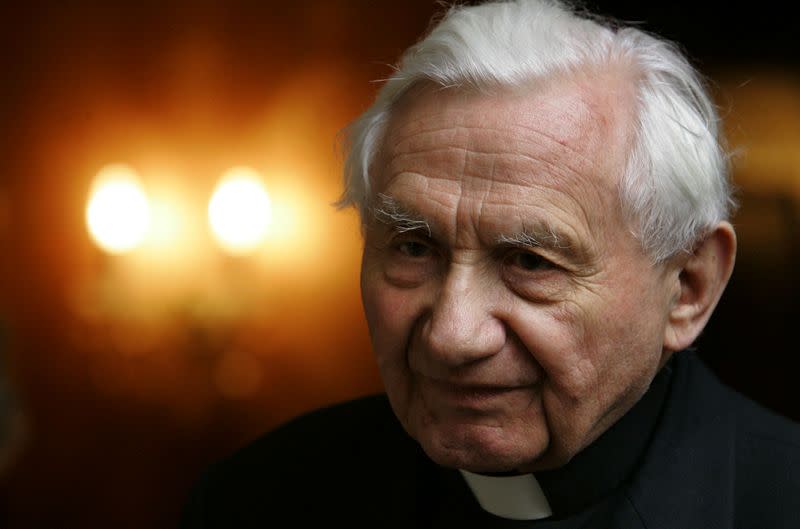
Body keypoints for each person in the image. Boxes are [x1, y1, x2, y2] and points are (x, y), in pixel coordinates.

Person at [180, 1, 800, 527]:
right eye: (415, 248)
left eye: (531, 261)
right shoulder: (256, 499)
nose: (452, 335)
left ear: (690, 286)